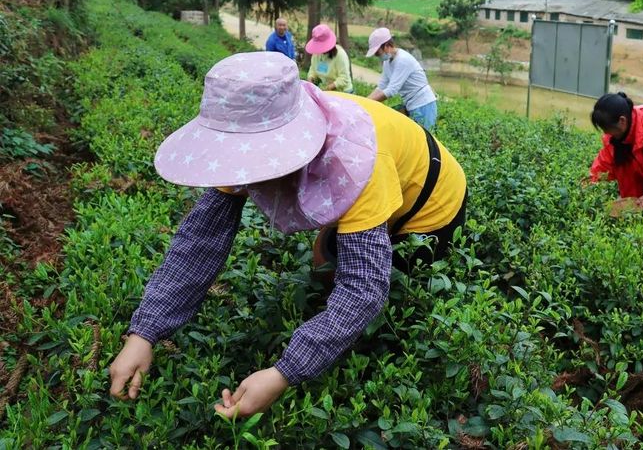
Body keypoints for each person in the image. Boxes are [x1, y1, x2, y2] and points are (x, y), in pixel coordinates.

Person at [108, 51, 467, 419]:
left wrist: (285, 372)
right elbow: (200, 242)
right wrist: (144, 332)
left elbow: (364, 290)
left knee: (391, 294)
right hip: (387, 180)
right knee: (326, 261)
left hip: (432, 207)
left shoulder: (358, 161)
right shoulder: (244, 142)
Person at [365, 27, 438, 131]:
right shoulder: (387, 62)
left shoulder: (402, 60)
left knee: (425, 140)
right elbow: (381, 86)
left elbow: (392, 90)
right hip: (410, 105)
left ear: (386, 46)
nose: (377, 56)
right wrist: (364, 101)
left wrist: (367, 104)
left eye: (377, 53)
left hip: (424, 104)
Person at [305, 24, 353, 93]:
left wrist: (328, 88)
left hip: (343, 92)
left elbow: (344, 78)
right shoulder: (316, 53)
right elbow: (313, 69)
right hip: (327, 91)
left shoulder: (340, 54)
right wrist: (310, 79)